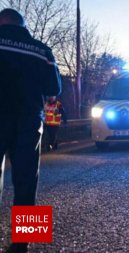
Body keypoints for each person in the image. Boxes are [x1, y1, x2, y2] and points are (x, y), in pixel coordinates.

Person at [0, 8, 62, 253]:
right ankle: (23, 243)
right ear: (23, 25)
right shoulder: (42, 50)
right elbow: (54, 88)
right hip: (28, 120)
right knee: (27, 179)